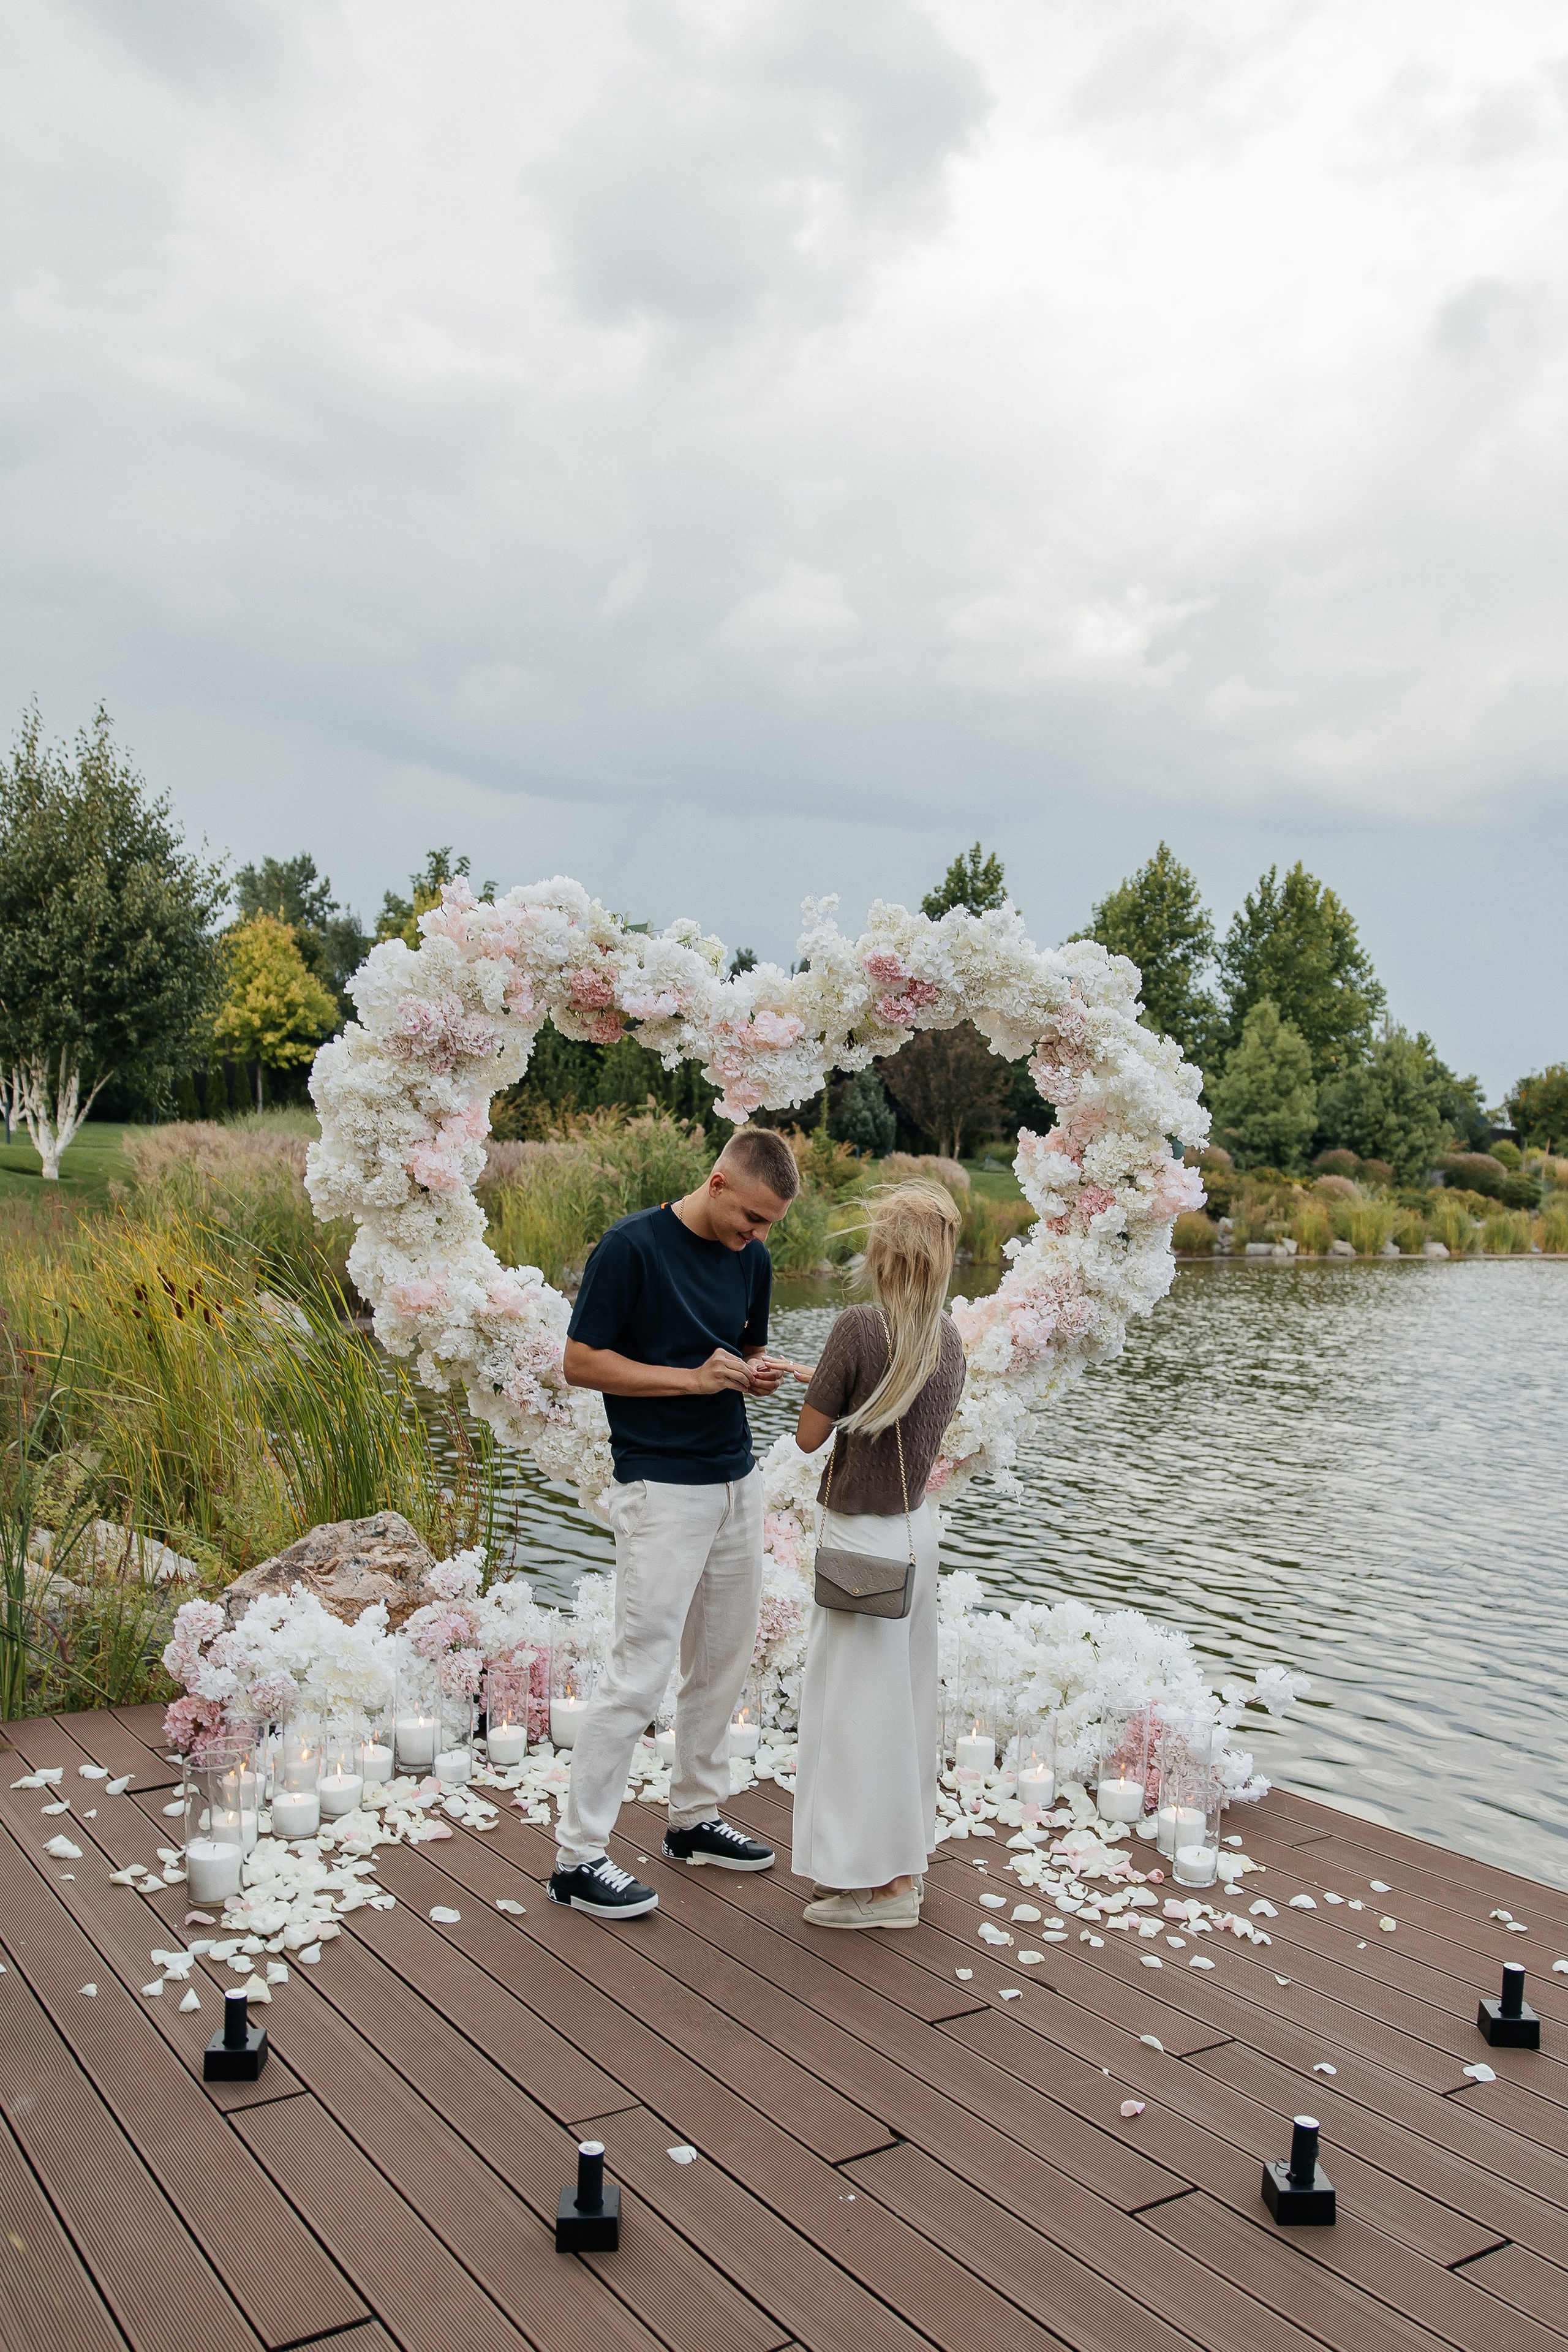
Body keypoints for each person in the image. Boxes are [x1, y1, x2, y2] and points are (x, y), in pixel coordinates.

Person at [549, 1125, 812, 1918]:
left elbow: (744, 1349)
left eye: (770, 1225)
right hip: (660, 1487)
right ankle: (577, 1859)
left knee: (722, 1662)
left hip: (737, 1479)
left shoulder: (753, 1260)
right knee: (639, 1671)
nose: (757, 1235)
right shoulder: (631, 1247)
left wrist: (754, 1374)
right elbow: (580, 1363)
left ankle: (693, 1819)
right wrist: (691, 1381)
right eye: (752, 1218)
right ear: (718, 1182)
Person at [790, 1181, 965, 1928]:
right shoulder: (947, 1340)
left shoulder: (858, 1327)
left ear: (882, 1254)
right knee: (902, 1708)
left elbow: (810, 1438)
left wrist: (817, 1386)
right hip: (913, 1536)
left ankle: (883, 1890)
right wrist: (827, 1382)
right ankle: (899, 1868)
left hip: (861, 1539)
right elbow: (894, 1410)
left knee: (856, 1714)